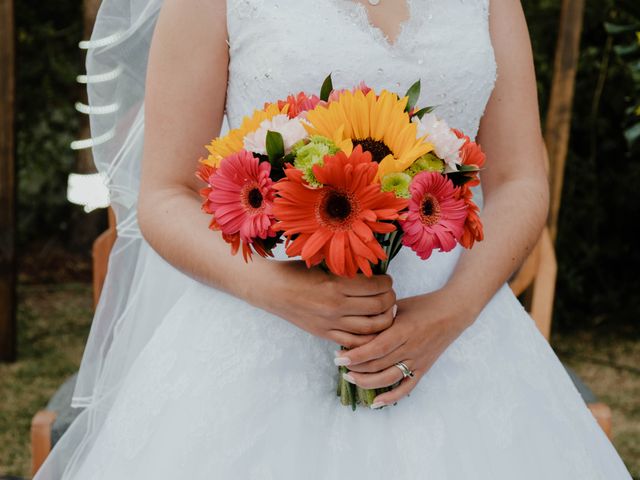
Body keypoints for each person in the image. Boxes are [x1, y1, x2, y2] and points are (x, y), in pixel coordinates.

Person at [35, 0, 633, 478]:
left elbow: (520, 179)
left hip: (461, 331)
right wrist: (282, 290)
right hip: (260, 327)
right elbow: (165, 195)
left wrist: (448, 315)